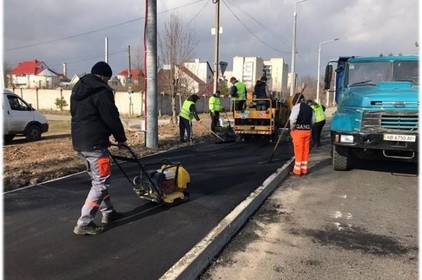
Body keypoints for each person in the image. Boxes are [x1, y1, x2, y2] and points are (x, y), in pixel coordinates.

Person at [71, 61, 127, 235]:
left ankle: (108, 213)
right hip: (94, 144)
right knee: (101, 183)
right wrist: (121, 139)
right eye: (107, 79)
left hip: (80, 142)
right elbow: (111, 117)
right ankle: (84, 222)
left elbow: (79, 115)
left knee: (98, 181)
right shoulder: (102, 91)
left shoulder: (78, 89)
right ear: (104, 76)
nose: (107, 82)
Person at [289, 92, 314, 176]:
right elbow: (313, 121)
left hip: (298, 132)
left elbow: (292, 119)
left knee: (298, 150)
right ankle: (304, 169)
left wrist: (292, 128)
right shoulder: (310, 108)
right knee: (305, 150)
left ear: (296, 100)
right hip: (308, 131)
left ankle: (297, 171)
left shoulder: (296, 107)